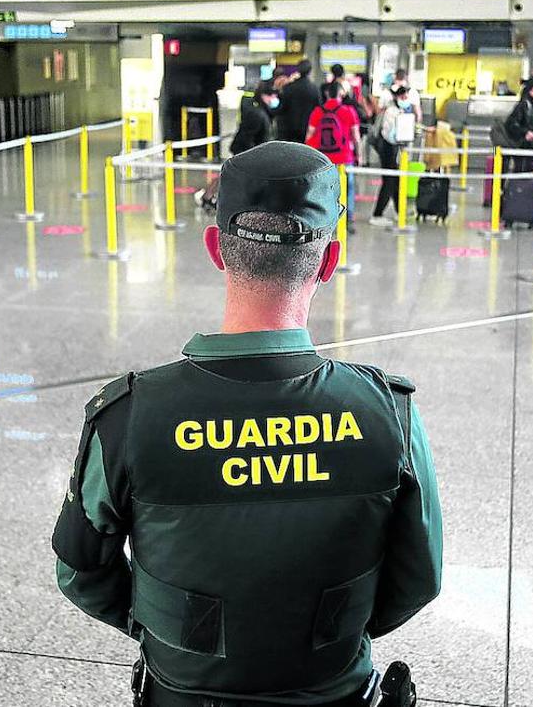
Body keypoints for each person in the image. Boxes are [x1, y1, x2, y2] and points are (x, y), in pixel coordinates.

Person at [52, 141, 443, 707]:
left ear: (215, 248)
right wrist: (318, 643)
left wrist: (173, 639)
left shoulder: (130, 418)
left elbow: (81, 572)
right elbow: (420, 578)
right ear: (329, 261)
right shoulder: (388, 414)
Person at [306, 82, 361, 232]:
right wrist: (359, 155)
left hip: (322, 158)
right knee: (347, 188)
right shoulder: (349, 111)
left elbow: (309, 135)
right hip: (344, 157)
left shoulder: (318, 111)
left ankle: (323, 219)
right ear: (341, 94)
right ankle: (348, 218)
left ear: (327, 94)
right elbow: (356, 137)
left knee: (323, 188)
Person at [370, 86, 414, 227]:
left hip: (393, 148)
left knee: (396, 181)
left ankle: (400, 211)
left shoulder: (400, 111)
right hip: (388, 149)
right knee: (389, 181)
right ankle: (377, 214)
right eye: (403, 97)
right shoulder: (391, 112)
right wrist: (401, 138)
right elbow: (388, 134)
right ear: (396, 97)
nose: (405, 100)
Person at [504, 77, 533, 173]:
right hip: (525, 149)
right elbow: (511, 124)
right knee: (523, 175)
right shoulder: (524, 106)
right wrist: (525, 133)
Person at [276, 59, 320, 143]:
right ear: (310, 71)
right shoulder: (314, 89)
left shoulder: (288, 88)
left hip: (289, 129)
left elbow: (281, 108)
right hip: (307, 128)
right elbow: (317, 109)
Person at [229, 81, 278, 156]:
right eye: (273, 96)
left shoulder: (263, 111)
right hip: (247, 156)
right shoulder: (257, 114)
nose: (274, 99)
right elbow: (247, 139)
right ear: (264, 96)